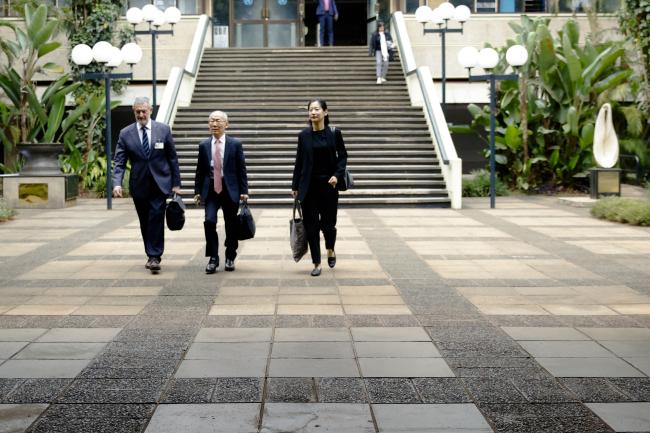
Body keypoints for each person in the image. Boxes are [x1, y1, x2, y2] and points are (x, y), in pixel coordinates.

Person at [113, 97, 181, 274]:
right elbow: (119, 161)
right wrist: (117, 184)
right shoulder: (125, 133)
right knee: (145, 220)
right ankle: (150, 253)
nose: (141, 114)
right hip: (139, 184)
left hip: (160, 183)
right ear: (134, 112)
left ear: (151, 110)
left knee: (156, 217)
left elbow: (172, 158)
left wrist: (176, 184)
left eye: (144, 111)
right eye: (137, 112)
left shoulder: (163, 130)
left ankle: (154, 256)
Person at [292, 99, 347, 277]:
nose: (313, 113)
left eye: (316, 109)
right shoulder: (303, 135)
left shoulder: (334, 133)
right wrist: (295, 186)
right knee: (311, 227)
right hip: (308, 188)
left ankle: (330, 248)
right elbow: (299, 162)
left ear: (325, 112)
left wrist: (337, 176)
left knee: (328, 225)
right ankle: (316, 262)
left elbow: (343, 156)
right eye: (310, 110)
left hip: (329, 186)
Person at [194, 110, 249, 274]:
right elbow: (200, 171)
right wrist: (197, 191)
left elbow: (241, 169)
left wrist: (244, 190)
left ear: (226, 124)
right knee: (209, 221)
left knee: (231, 224)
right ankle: (213, 258)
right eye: (211, 121)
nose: (214, 124)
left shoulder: (235, 144)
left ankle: (230, 256)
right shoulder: (204, 145)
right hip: (211, 189)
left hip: (229, 189)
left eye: (218, 121)